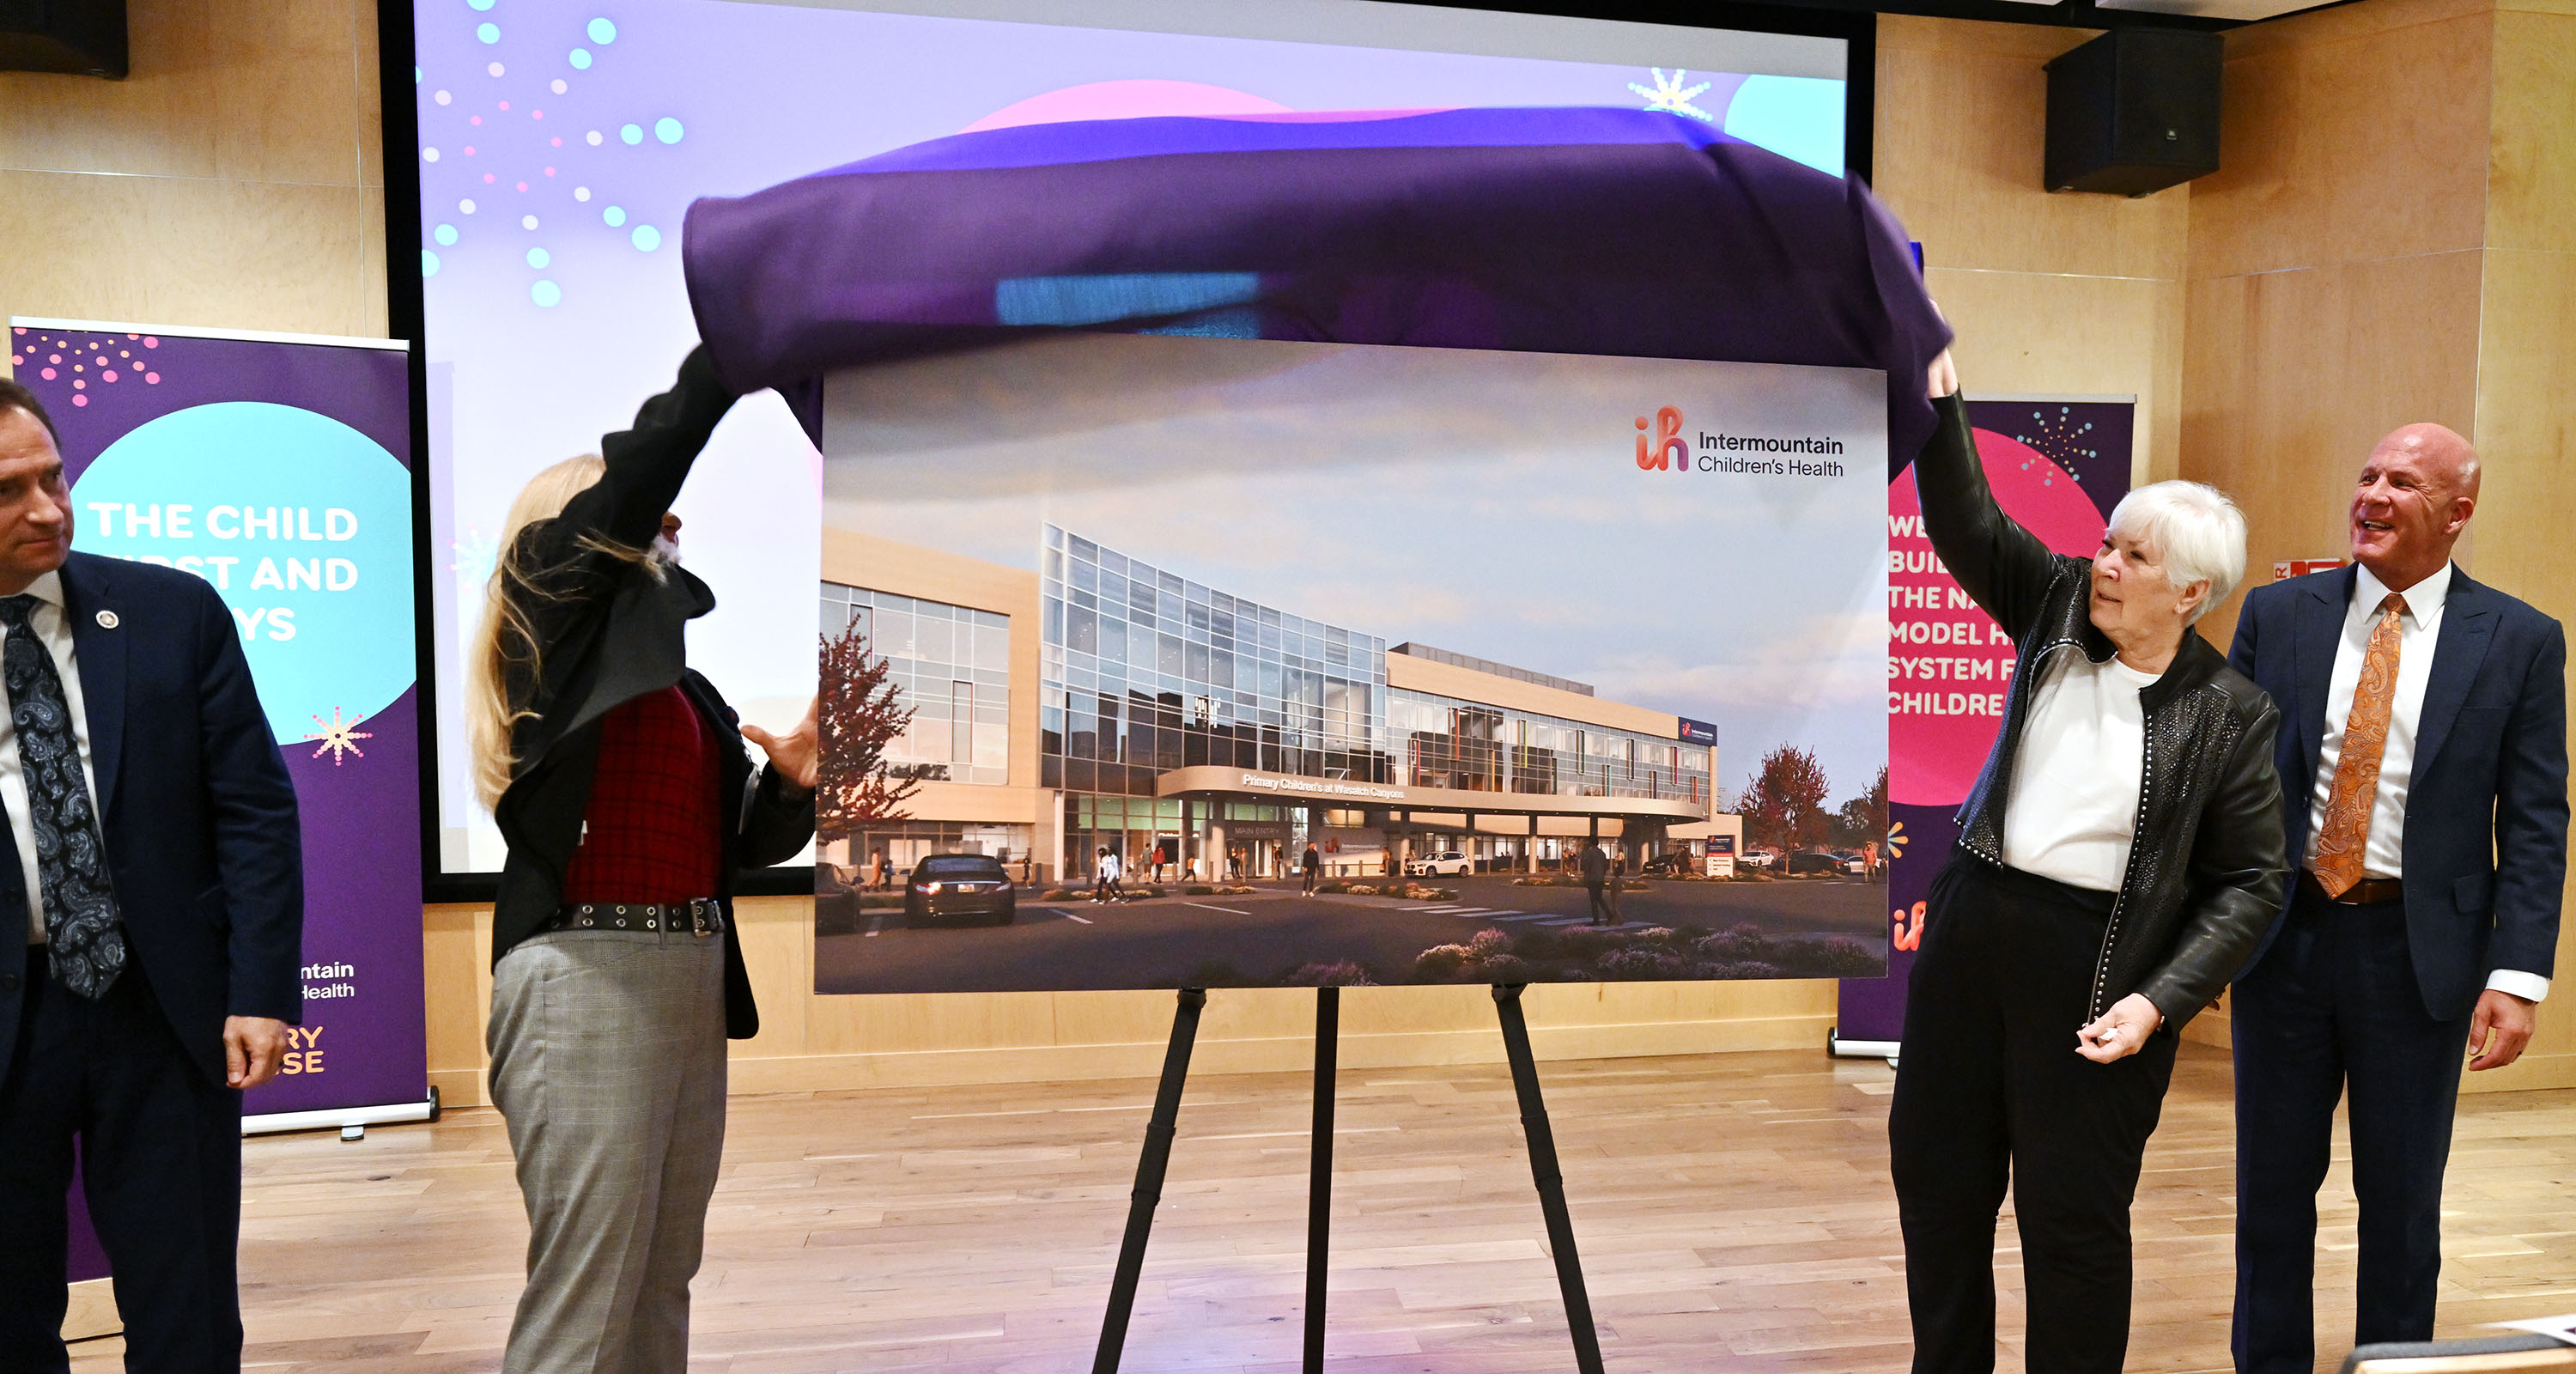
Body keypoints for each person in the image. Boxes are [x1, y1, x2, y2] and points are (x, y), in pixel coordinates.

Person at [1888, 348, 2287, 1374]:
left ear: (2191, 594)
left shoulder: (2232, 715)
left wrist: (2161, 1001)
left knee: (2071, 1227)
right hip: (1974, 925)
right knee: (1939, 1193)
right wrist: (1942, 397)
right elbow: (1969, 522)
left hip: (2102, 970)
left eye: (2136, 559)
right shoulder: (2056, 601)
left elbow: (2252, 885)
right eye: (2109, 543)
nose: (2105, 565)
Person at [468, 346, 817, 1374]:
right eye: (651, 519)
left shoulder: (685, 694)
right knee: (587, 1292)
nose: (674, 527)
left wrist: (789, 782)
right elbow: (637, 483)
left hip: (686, 974)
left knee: (662, 1275)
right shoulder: (553, 636)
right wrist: (726, 362)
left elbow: (739, 848)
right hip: (585, 977)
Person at [2226, 423, 2566, 1372]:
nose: (2372, 494)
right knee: (2272, 1199)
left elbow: (2539, 820)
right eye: (2368, 474)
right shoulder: (2278, 614)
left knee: (2404, 1202)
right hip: (2284, 940)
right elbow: (2227, 791)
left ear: (2457, 514)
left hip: (2420, 958)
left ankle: (2396, 1365)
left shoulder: (2523, 641)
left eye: (2402, 483)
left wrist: (2519, 973)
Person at [0, 379, 303, 1371]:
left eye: (53, 476)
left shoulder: (171, 611)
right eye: (10, 491)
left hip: (161, 1009)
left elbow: (254, 810)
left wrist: (259, 989)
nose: (49, 509)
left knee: (187, 1314)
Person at [1581, 842, 1613, 925]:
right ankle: (1609, 914)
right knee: (1599, 898)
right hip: (1600, 879)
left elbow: (1587, 866)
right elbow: (1605, 866)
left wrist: (1586, 878)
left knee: (1593, 900)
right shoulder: (1602, 853)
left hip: (1592, 879)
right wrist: (1602, 876)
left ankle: (1596, 920)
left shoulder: (1590, 853)